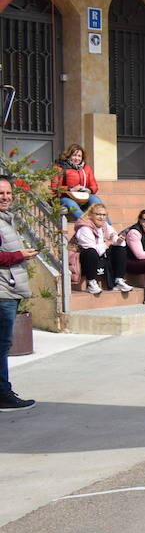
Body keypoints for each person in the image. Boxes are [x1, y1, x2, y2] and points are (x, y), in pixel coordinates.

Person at [0, 176, 40, 411]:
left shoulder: (7, 219)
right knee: (2, 344)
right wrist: (20, 255)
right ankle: (3, 395)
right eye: (1, 193)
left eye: (8, 193)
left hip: (9, 288)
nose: (5, 197)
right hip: (3, 291)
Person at [73, 203, 132, 295]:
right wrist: (108, 242)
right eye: (98, 214)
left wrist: (119, 240)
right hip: (84, 260)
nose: (101, 217)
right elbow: (94, 250)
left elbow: (115, 238)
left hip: (101, 255)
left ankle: (118, 280)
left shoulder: (105, 225)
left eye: (104, 215)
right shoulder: (84, 228)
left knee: (120, 248)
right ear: (90, 215)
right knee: (91, 252)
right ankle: (91, 282)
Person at [52, 144, 101, 220]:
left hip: (83, 196)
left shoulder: (87, 168)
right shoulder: (59, 168)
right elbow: (54, 187)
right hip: (65, 197)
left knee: (96, 201)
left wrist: (89, 190)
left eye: (79, 156)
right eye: (74, 155)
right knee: (72, 205)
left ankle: (106, 225)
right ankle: (86, 223)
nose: (77, 158)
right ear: (69, 155)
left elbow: (94, 186)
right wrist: (70, 189)